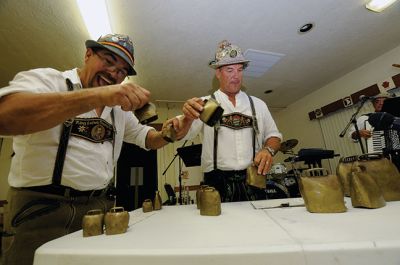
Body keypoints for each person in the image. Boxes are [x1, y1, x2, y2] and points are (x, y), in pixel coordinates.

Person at [0, 33, 178, 265]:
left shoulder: (118, 110)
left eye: (122, 71)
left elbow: (147, 138)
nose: (114, 73)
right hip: (41, 210)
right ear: (88, 54)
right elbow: (5, 116)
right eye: (108, 60)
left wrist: (172, 132)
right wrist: (98, 95)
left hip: (99, 208)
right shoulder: (51, 81)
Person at [173, 40, 282, 202]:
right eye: (230, 70)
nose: (236, 76)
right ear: (218, 73)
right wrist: (187, 118)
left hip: (254, 180)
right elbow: (179, 134)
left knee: (259, 226)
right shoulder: (206, 103)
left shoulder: (258, 104)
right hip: (217, 182)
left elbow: (274, 136)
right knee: (219, 227)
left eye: (239, 70)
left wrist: (268, 150)